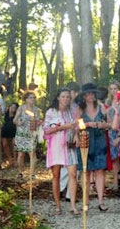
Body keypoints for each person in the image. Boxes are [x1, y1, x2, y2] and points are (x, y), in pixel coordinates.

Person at [44, 87, 79, 215]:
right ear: (58, 97)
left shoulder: (72, 111)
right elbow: (46, 130)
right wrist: (62, 127)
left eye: (68, 97)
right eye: (63, 96)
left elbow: (75, 127)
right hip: (56, 145)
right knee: (56, 175)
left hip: (69, 145)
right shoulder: (51, 112)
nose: (66, 99)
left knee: (73, 174)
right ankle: (58, 205)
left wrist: (76, 136)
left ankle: (73, 205)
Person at [76, 82, 110, 212]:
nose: (90, 96)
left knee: (100, 171)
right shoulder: (80, 109)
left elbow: (109, 124)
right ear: (84, 96)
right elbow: (77, 125)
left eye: (92, 93)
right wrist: (88, 124)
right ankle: (86, 201)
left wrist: (103, 125)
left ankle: (101, 201)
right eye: (87, 94)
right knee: (86, 171)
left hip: (100, 141)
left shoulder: (102, 107)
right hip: (86, 140)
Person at [13, 91, 42, 179]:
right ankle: (20, 172)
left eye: (34, 98)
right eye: (30, 97)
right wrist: (19, 122)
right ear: (26, 99)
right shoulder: (21, 108)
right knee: (21, 154)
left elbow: (39, 121)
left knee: (32, 153)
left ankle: (32, 174)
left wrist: (38, 123)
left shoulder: (36, 110)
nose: (33, 99)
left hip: (32, 134)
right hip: (21, 134)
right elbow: (14, 120)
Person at [59, 82, 80, 201]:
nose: (73, 95)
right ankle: (60, 188)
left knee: (73, 165)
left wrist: (77, 133)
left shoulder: (76, 107)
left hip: (72, 137)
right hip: (61, 137)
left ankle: (69, 194)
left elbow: (77, 121)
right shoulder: (60, 108)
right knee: (63, 165)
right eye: (73, 93)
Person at [105, 81, 120, 193]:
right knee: (113, 159)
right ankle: (115, 182)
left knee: (118, 159)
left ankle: (119, 183)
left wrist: (119, 136)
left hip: (119, 132)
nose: (113, 91)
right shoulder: (108, 101)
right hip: (110, 131)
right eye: (111, 88)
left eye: (115, 88)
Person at [1, 102, 19, 168]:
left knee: (14, 144)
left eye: (14, 108)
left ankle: (15, 159)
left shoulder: (16, 116)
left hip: (13, 131)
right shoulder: (5, 114)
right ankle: (9, 158)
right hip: (5, 131)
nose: (12, 109)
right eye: (11, 107)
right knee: (4, 144)